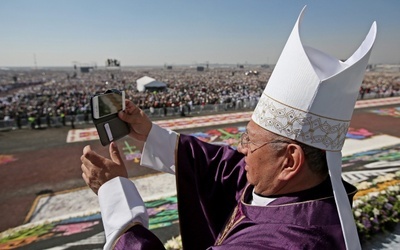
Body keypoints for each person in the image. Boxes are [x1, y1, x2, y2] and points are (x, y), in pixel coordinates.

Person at [80, 7, 377, 250]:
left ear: (290, 160)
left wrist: (114, 194)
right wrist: (148, 133)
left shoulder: (290, 241)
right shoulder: (302, 187)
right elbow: (223, 168)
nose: (241, 148)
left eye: (250, 140)